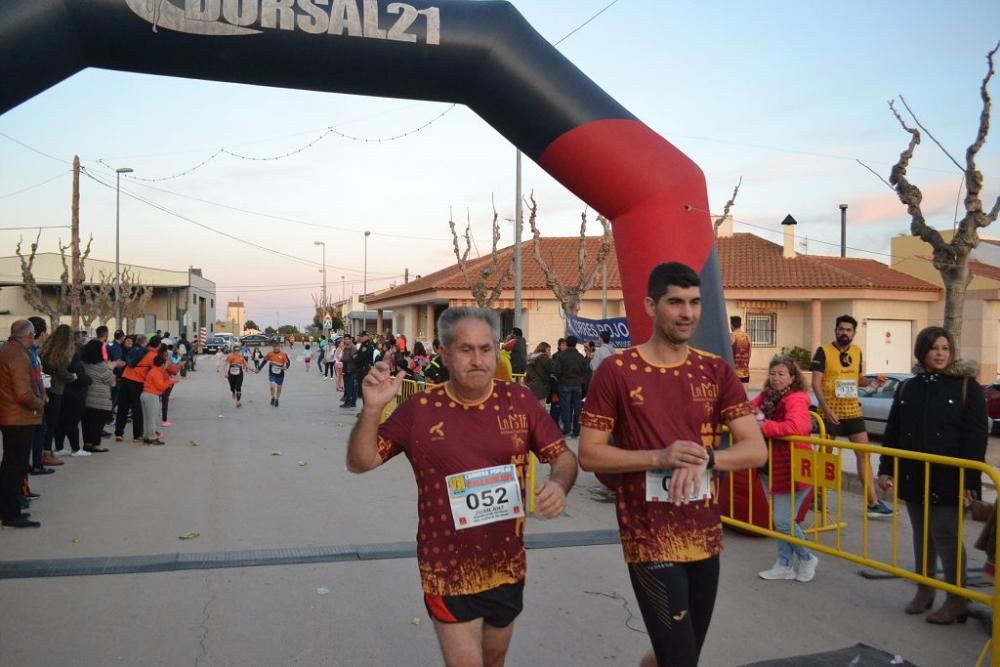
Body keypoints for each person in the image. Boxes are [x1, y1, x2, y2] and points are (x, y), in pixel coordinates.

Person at [346, 307, 578, 666]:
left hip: (507, 565)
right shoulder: (419, 410)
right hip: (446, 570)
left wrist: (559, 484)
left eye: (486, 349)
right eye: (465, 349)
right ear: (443, 352)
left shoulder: (519, 401)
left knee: (494, 659)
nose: (478, 359)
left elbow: (563, 457)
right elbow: (360, 462)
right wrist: (373, 410)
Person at [578, 262, 766, 667]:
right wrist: (658, 458)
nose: (687, 314)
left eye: (695, 303)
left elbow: (755, 449)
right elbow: (590, 453)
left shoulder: (716, 370)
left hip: (704, 534)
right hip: (648, 536)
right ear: (650, 305)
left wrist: (709, 458)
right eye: (676, 302)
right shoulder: (617, 370)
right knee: (680, 658)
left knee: (680, 655)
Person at [878, 326, 988, 625]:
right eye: (934, 348)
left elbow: (975, 440)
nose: (940, 354)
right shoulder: (908, 387)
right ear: (922, 351)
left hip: (949, 478)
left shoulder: (967, 387)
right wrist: (886, 468)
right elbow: (894, 432)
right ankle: (925, 590)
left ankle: (957, 598)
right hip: (915, 475)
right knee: (921, 535)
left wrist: (970, 483)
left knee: (946, 535)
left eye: (945, 348)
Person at [811, 315, 892, 518]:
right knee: (825, 456)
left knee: (863, 454)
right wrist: (826, 409)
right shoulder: (823, 351)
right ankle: (816, 498)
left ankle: (873, 503)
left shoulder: (856, 352)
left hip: (853, 411)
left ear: (854, 333)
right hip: (830, 412)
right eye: (841, 329)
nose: (844, 333)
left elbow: (855, 377)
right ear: (835, 330)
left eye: (848, 330)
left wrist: (873, 383)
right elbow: (815, 383)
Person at [751, 355, 818, 582]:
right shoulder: (767, 397)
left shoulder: (796, 398)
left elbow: (797, 426)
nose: (776, 378)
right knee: (784, 519)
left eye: (781, 374)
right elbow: (747, 410)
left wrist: (763, 426)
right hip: (775, 465)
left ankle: (806, 557)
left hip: (794, 465)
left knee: (782, 521)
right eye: (772, 373)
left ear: (792, 378)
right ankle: (784, 564)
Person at [0, 320, 45, 528]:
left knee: (11, 465)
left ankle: (9, 508)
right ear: (27, 335)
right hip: (18, 417)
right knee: (15, 466)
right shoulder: (18, 356)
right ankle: (10, 513)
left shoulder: (8, 350)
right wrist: (40, 403)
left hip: (10, 415)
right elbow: (23, 393)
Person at [116, 335, 160, 442]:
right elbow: (154, 371)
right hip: (137, 381)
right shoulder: (153, 355)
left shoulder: (137, 350)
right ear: (158, 345)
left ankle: (119, 433)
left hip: (125, 377)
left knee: (123, 407)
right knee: (137, 408)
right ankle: (137, 435)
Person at [26, 316, 55, 475]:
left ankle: (35, 462)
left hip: (36, 396)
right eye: (46, 331)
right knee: (38, 430)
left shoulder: (34, 351)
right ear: (41, 333)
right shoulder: (29, 352)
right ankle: (36, 464)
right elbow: (33, 377)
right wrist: (41, 395)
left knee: (39, 430)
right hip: (33, 399)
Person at [81, 339, 115, 454]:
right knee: (97, 423)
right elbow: (111, 381)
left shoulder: (83, 363)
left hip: (87, 397)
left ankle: (87, 443)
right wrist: (111, 368)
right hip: (100, 398)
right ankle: (96, 444)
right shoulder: (102, 366)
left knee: (87, 423)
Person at [551, 335, 587, 438]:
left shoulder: (561, 356)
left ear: (566, 343)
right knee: (578, 408)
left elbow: (556, 371)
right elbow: (584, 370)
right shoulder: (580, 357)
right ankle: (577, 431)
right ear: (576, 344)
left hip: (564, 384)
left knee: (566, 408)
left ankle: (567, 431)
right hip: (577, 385)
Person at [140, 355, 176, 445]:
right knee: (152, 418)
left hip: (146, 395)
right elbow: (161, 387)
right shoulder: (157, 372)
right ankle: (152, 437)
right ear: (163, 364)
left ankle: (147, 436)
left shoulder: (154, 371)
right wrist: (170, 382)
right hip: (151, 395)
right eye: (166, 363)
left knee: (147, 417)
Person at [264, 341, 290, 407]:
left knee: (279, 388)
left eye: (277, 346)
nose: (276, 348)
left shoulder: (283, 354)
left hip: (280, 374)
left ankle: (277, 399)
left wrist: (286, 366)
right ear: (273, 347)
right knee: (272, 386)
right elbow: (264, 361)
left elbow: (288, 362)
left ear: (279, 347)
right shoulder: (270, 353)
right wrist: (259, 369)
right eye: (274, 347)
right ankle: (273, 397)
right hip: (272, 373)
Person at [730, 316, 751, 384]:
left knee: (733, 394)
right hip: (745, 372)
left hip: (733, 372)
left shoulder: (731, 336)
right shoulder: (747, 337)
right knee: (744, 393)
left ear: (732, 325)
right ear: (740, 324)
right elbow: (749, 354)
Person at [340, 335, 357, 408]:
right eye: (345, 339)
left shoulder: (352, 348)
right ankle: (352, 402)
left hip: (350, 368)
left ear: (350, 340)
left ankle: (348, 402)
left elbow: (354, 358)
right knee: (350, 385)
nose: (345, 340)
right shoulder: (346, 348)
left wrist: (344, 359)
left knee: (349, 386)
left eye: (347, 339)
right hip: (346, 367)